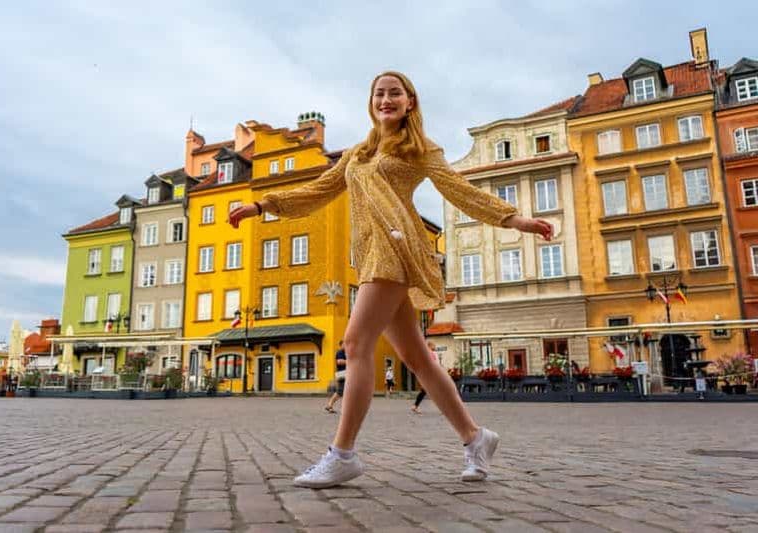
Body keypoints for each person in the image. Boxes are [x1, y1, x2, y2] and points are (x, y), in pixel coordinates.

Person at [228, 71, 553, 489]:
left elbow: (458, 189)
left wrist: (515, 219)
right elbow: (319, 189)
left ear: (410, 101)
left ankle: (342, 454)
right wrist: (262, 205)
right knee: (417, 359)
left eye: (394, 93)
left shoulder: (420, 148)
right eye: (379, 93)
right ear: (371, 102)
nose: (386, 99)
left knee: (355, 342)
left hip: (396, 249)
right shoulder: (358, 154)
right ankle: (475, 438)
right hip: (369, 256)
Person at [411, 342, 439, 414]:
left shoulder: (424, 353)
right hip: (431, 374)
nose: (435, 346)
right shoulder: (432, 353)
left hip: (425, 374)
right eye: (434, 345)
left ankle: (415, 406)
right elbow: (436, 364)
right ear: (430, 346)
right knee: (437, 390)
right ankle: (444, 408)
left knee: (424, 391)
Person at [325, 340, 347, 413]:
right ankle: (329, 405)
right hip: (342, 375)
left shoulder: (346, 353)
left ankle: (330, 405)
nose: (346, 345)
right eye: (345, 344)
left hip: (347, 374)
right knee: (339, 392)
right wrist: (350, 361)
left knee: (346, 392)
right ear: (341, 345)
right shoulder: (340, 352)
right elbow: (339, 361)